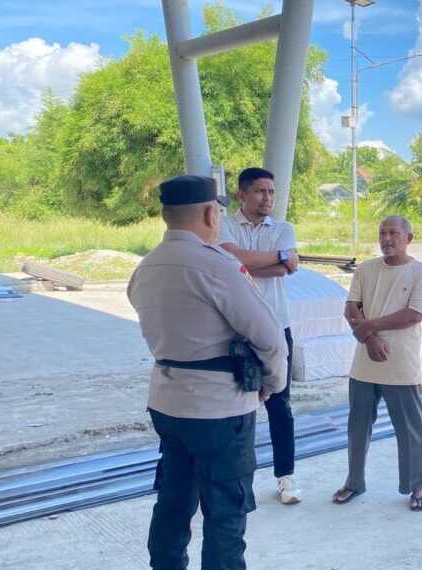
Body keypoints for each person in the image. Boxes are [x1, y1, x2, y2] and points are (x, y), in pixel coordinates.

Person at [128, 174, 288, 570]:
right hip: (219, 410)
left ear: (166, 215)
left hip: (167, 405)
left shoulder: (145, 266)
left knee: (173, 499)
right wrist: (272, 383)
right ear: (210, 214)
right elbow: (270, 338)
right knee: (225, 512)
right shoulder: (218, 265)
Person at [332, 215, 422, 511]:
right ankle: (354, 481)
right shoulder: (366, 269)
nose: (386, 239)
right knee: (357, 426)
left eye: (393, 233)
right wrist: (370, 339)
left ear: (408, 238)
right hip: (364, 364)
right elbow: (351, 307)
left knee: (411, 429)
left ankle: (417, 485)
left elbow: (415, 314)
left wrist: (368, 326)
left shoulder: (420, 272)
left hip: (400, 363)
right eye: (382, 233)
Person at [217, 167, 302, 505]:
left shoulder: (283, 228)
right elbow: (229, 259)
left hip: (277, 326)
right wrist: (279, 257)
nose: (267, 198)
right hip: (235, 329)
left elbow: (285, 268)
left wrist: (244, 262)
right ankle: (236, 478)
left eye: (271, 192)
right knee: (235, 406)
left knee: (280, 404)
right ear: (242, 194)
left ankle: (286, 476)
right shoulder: (224, 225)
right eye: (260, 191)